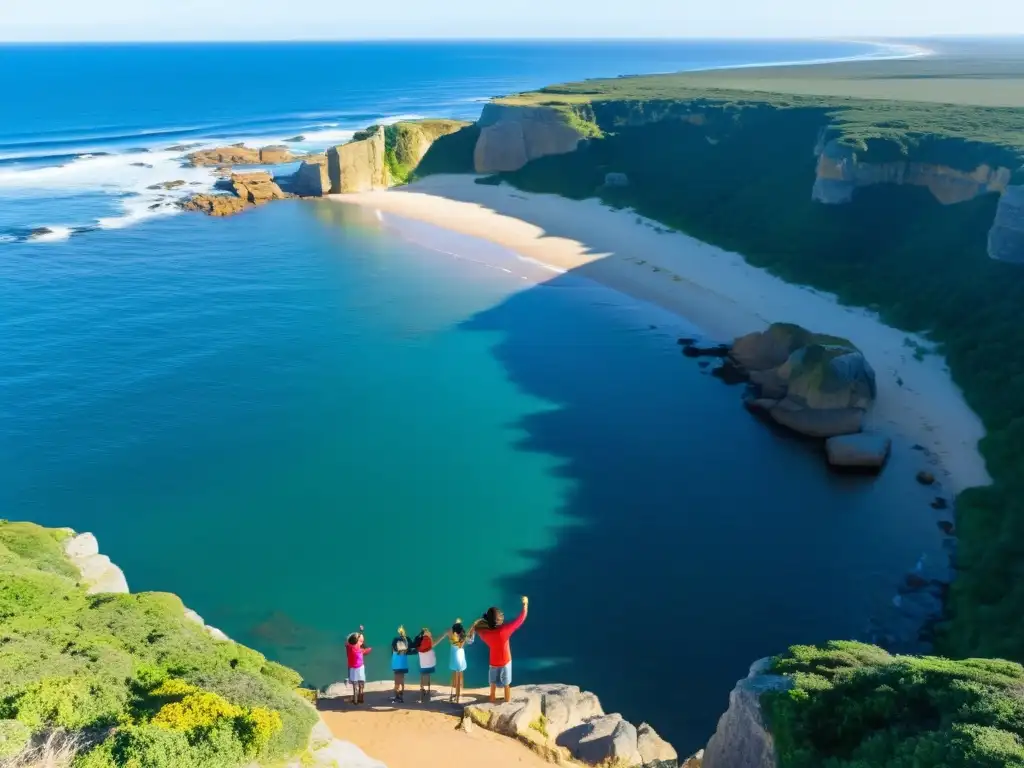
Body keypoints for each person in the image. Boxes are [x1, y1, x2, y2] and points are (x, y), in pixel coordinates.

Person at [475, 596, 528, 704]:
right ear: (499, 620)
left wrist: (481, 622)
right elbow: (520, 619)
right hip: (505, 661)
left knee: (493, 683)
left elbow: (478, 628)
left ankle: (492, 698)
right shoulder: (505, 630)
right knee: (506, 684)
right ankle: (507, 700)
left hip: (493, 661)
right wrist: (525, 605)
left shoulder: (484, 633)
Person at [433, 618, 475, 703]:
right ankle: (459, 696)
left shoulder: (449, 632)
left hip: (454, 655)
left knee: (454, 675)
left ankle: (455, 694)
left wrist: (431, 645)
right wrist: (473, 628)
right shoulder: (463, 634)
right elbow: (470, 638)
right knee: (460, 675)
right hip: (460, 655)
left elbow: (439, 639)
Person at [345, 626, 371, 705]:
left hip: (353, 668)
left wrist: (359, 633)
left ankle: (355, 701)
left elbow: (347, 642)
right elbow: (368, 649)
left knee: (355, 685)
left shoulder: (349, 648)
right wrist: (361, 632)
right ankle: (361, 699)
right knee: (361, 684)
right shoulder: (361, 650)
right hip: (360, 668)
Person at [411, 627, 438, 703]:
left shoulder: (420, 640)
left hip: (422, 663)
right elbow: (432, 645)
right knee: (428, 676)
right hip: (430, 663)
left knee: (422, 676)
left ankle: (422, 689)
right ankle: (428, 690)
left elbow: (418, 647)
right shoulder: (429, 640)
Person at [390, 625, 411, 703]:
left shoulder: (395, 644)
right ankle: (401, 696)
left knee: (396, 682)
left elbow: (393, 647)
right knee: (402, 680)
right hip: (404, 665)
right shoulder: (406, 642)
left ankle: (397, 697)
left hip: (397, 665)